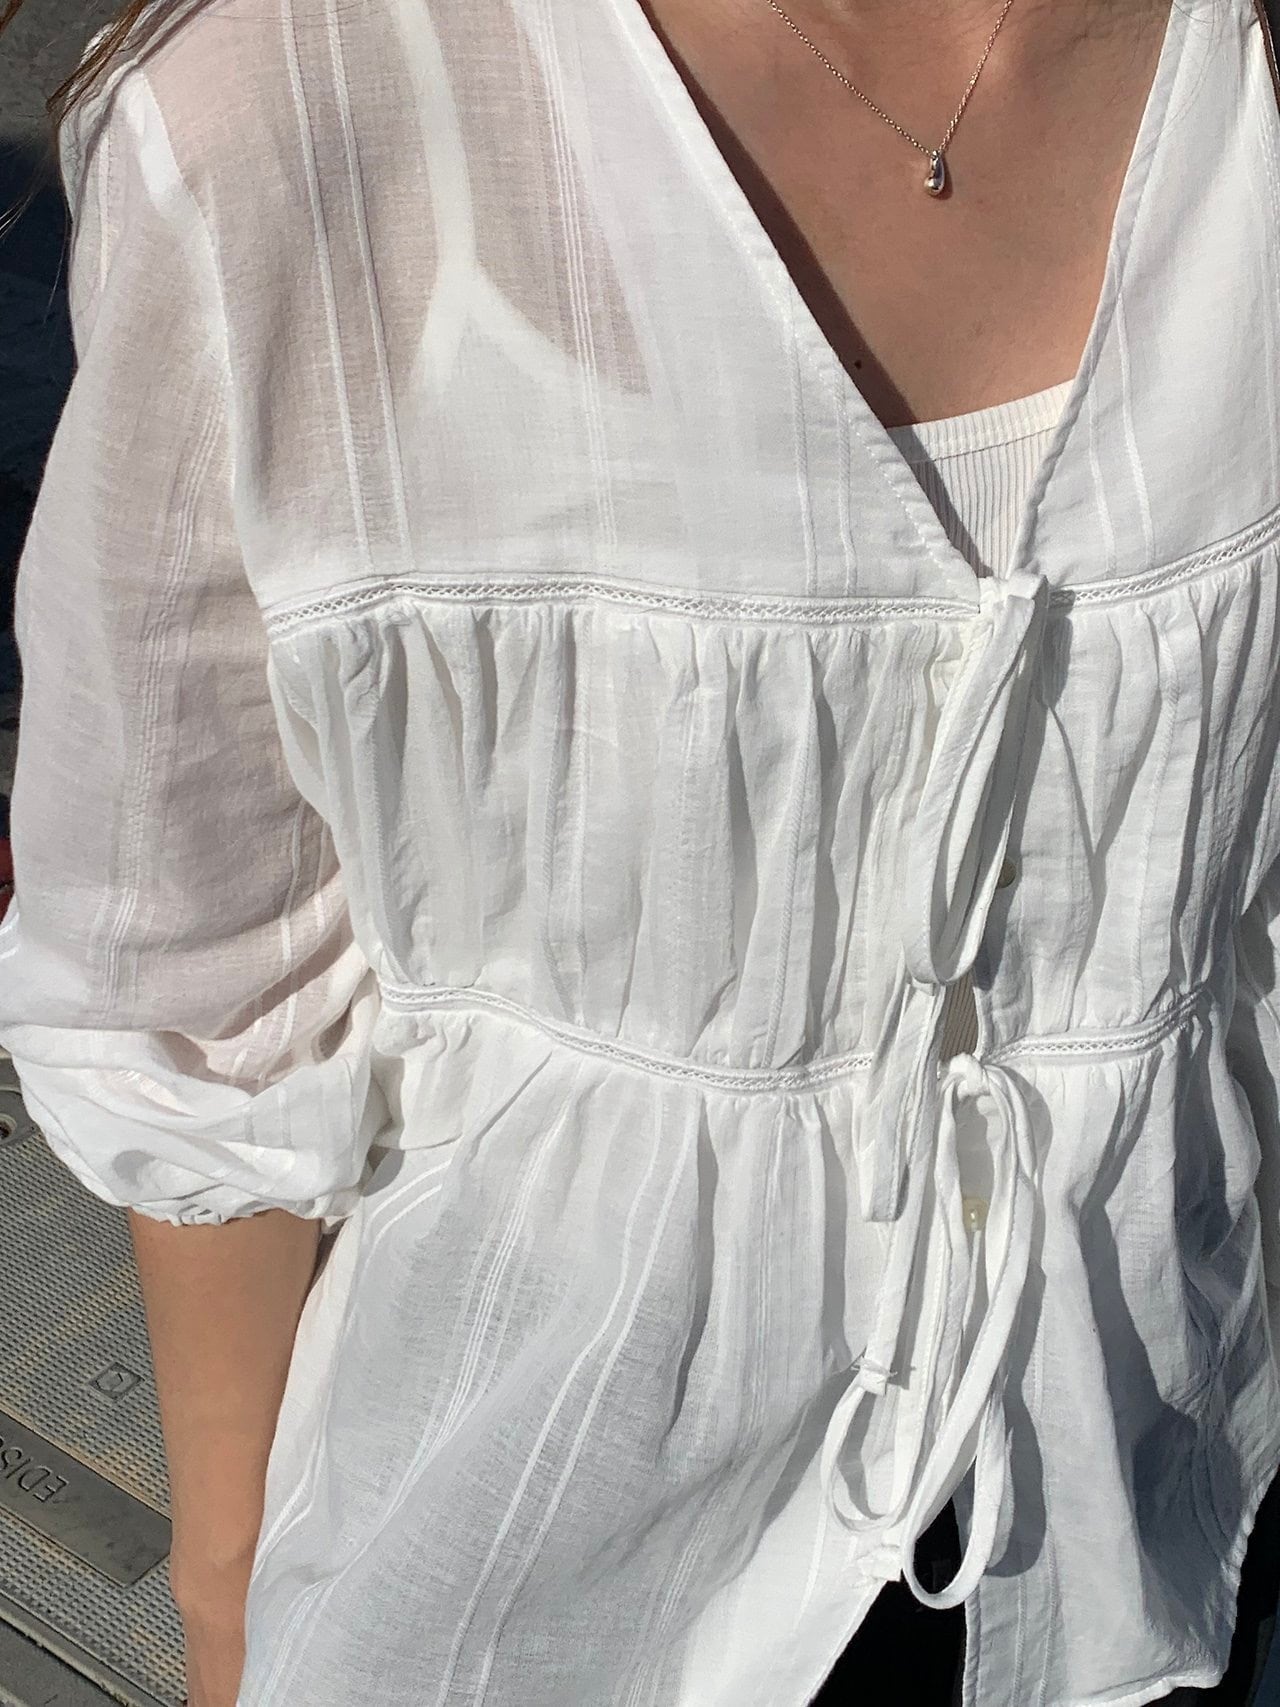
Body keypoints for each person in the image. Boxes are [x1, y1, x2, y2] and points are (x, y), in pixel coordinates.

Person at [0, 0, 1277, 1702]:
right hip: (520, 1600)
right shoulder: (299, 107)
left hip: (1155, 1520)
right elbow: (205, 1004)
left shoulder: (1241, 78)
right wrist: (227, 1604)